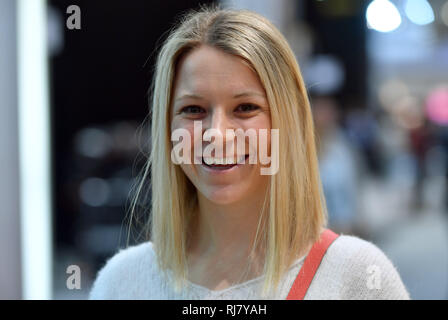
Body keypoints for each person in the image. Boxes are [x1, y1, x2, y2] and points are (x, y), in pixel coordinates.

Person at [89, 7, 410, 300]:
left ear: (288, 120)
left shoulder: (358, 278)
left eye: (245, 108)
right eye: (194, 109)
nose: (217, 133)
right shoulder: (122, 283)